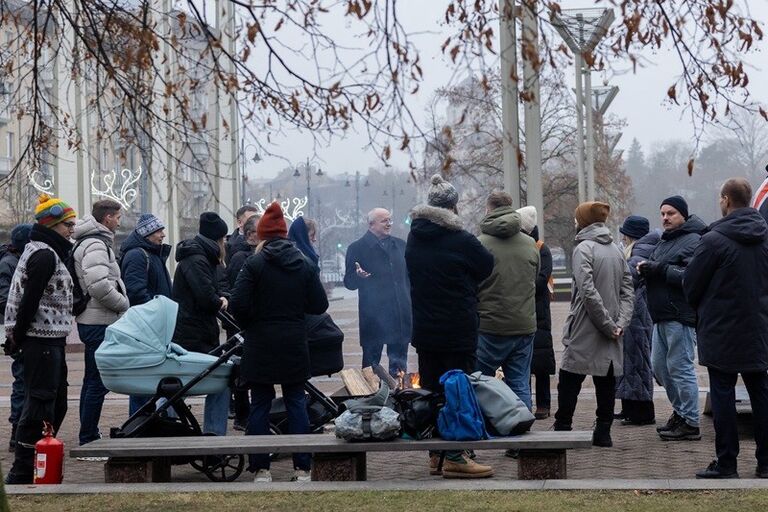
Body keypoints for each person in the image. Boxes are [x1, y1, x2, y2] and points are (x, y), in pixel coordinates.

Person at [229, 202, 328, 483]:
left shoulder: (254, 264)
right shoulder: (303, 264)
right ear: (284, 235)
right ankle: (303, 468)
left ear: (261, 236)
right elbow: (319, 304)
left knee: (260, 403)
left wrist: (251, 323)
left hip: (260, 341)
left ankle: (261, 468)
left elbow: (237, 303)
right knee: (297, 401)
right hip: (294, 341)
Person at [406, 174, 495, 478]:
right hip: (457, 328)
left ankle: (435, 455)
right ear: (453, 207)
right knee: (459, 389)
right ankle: (458, 454)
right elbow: (486, 266)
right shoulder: (462, 239)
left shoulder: (414, 237)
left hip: (426, 330)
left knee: (430, 390)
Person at [684, 178, 768, 479]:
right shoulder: (765, 236)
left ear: (725, 200)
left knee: (722, 395)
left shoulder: (713, 240)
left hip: (721, 330)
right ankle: (766, 463)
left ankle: (727, 462)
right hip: (759, 328)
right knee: (761, 393)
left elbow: (691, 285)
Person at [3, 194, 76, 484]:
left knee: (56, 404)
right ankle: (22, 470)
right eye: (68, 224)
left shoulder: (51, 252)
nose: (72, 229)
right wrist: (17, 338)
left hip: (51, 341)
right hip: (40, 342)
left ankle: (40, 459)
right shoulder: (44, 254)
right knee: (40, 405)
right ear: (53, 224)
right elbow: (29, 301)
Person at [554, 201, 634, 448]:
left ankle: (562, 428)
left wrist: (607, 324)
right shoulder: (617, 251)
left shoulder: (583, 249)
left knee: (569, 379)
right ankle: (603, 431)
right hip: (612, 331)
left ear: (584, 221)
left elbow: (587, 292)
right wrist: (619, 324)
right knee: (606, 382)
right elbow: (628, 291)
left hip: (585, 328)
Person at [637, 195, 706, 441]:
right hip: (661, 315)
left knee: (680, 368)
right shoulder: (665, 241)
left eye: (671, 213)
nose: (665, 218)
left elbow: (692, 276)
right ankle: (681, 413)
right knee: (659, 368)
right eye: (663, 213)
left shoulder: (694, 240)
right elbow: (659, 268)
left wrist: (661, 270)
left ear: (683, 215)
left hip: (680, 315)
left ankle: (690, 421)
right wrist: (647, 270)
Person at [72, 199, 129, 447]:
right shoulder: (96, 244)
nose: (119, 221)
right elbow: (98, 285)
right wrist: (123, 303)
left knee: (91, 380)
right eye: (117, 216)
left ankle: (88, 432)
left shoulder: (94, 241)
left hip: (93, 319)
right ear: (107, 218)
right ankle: (88, 436)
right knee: (97, 382)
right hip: (98, 320)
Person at [476, 192, 539, 411]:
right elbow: (534, 278)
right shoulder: (531, 244)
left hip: (488, 325)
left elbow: (472, 283)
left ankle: (480, 430)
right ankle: (521, 435)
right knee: (520, 383)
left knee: (478, 382)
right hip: (523, 324)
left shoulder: (479, 244)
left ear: (488, 209)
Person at [172, 212, 230, 436]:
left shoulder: (199, 256)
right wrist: (221, 301)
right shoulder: (197, 259)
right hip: (193, 333)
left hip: (195, 331)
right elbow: (206, 296)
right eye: (223, 239)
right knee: (217, 381)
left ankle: (167, 428)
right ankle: (213, 435)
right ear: (218, 239)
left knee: (182, 385)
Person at [344, 207, 411, 377]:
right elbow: (349, 283)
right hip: (373, 317)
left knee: (399, 368)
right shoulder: (357, 248)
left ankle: (400, 399)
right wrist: (358, 276)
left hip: (399, 315)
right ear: (371, 224)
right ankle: (370, 398)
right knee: (371, 368)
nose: (389, 224)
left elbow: (409, 278)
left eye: (390, 220)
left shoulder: (400, 245)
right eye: (384, 221)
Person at [120, 213, 173, 416]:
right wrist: (158, 313)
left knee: (152, 380)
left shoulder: (153, 254)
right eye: (158, 231)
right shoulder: (137, 255)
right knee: (143, 382)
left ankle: (150, 422)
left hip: (154, 327)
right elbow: (136, 292)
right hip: (146, 328)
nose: (163, 235)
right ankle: (140, 423)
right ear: (147, 233)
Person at [615, 215, 658, 426]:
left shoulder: (640, 250)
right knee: (631, 361)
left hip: (638, 315)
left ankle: (642, 412)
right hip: (637, 313)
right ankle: (630, 408)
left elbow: (627, 277)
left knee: (638, 362)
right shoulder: (643, 248)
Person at [517, 206, 555, 420]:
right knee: (522, 362)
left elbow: (542, 279)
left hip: (538, 311)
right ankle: (526, 403)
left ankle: (544, 404)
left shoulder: (542, 249)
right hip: (524, 309)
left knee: (540, 362)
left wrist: (519, 288)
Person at [225, 213, 260, 431]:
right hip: (241, 324)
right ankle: (241, 414)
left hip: (253, 323)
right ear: (249, 234)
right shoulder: (240, 257)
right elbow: (236, 292)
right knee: (240, 370)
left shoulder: (257, 255)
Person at [1, 223, 32, 451]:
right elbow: (4, 299)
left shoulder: (17, 261)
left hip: (23, 330)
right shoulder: (9, 264)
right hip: (19, 332)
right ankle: (16, 432)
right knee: (22, 382)